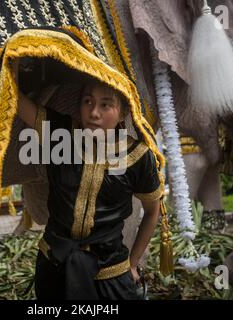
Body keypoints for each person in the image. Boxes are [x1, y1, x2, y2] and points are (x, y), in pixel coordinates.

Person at [13, 60, 163, 300]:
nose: (94, 112)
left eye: (106, 105)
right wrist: (12, 59)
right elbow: (17, 100)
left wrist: (132, 264)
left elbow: (152, 212)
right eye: (88, 101)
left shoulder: (138, 156)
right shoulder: (60, 135)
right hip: (55, 261)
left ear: (124, 110)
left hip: (110, 270)